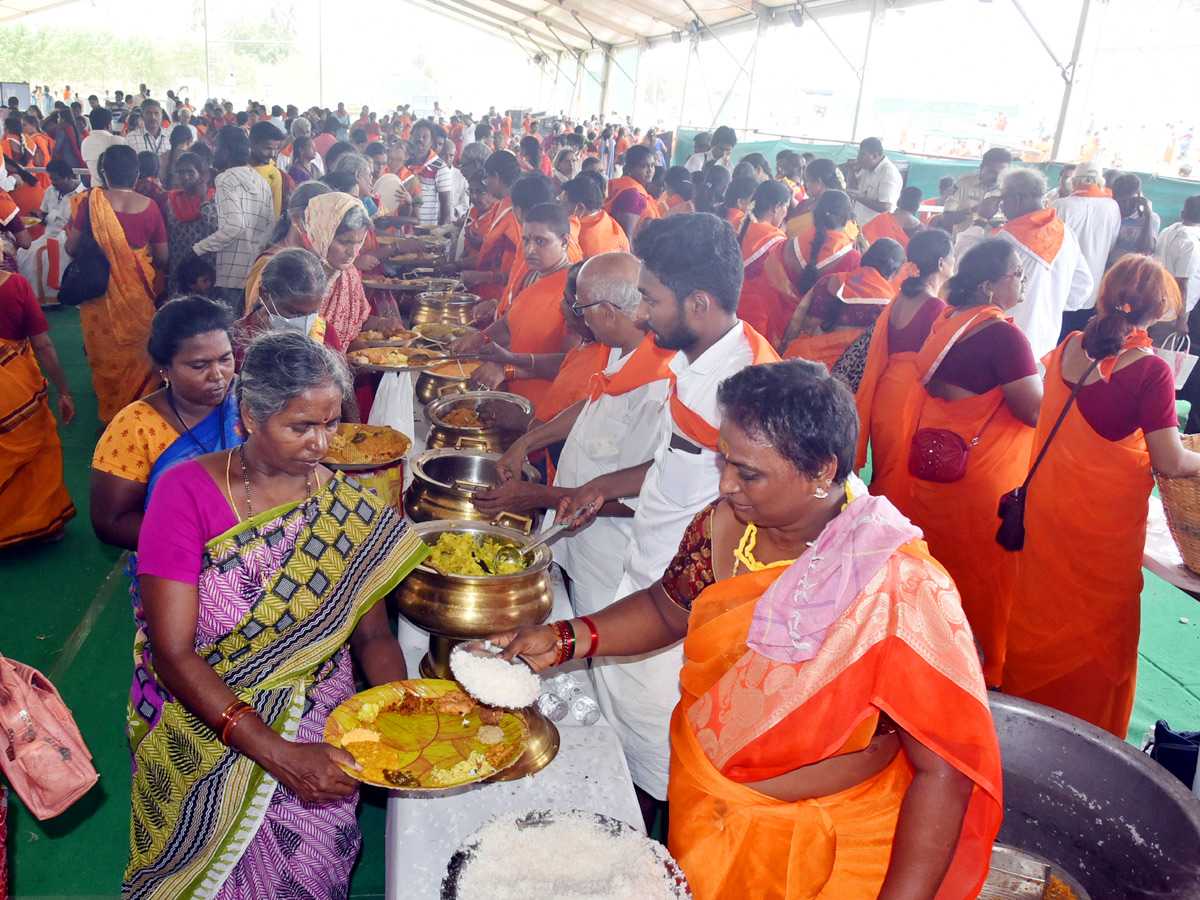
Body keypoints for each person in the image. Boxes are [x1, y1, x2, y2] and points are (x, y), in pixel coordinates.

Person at [495, 361, 1002, 900]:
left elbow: (944, 772)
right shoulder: (726, 524)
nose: (726, 483)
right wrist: (566, 637)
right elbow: (669, 608)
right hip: (708, 812)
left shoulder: (896, 582)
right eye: (724, 461)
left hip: (828, 852)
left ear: (824, 471)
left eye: (748, 472)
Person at [124, 330, 428, 900]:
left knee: (308, 873)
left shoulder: (347, 507)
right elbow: (172, 651)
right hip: (203, 725)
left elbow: (374, 635)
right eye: (300, 427)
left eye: (331, 423)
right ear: (248, 418)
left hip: (319, 725)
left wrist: (400, 713)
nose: (321, 443)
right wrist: (277, 753)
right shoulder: (184, 493)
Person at [549, 213, 779, 824]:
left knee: (664, 769)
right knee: (631, 746)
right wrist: (601, 485)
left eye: (651, 299)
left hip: (681, 611)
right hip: (648, 580)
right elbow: (672, 462)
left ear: (698, 302)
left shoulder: (742, 389)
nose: (642, 314)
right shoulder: (693, 363)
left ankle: (653, 853)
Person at [1003, 256, 1200, 738]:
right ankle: (1086, 731)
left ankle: (1023, 712)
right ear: (1157, 311)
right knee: (1098, 631)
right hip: (1102, 530)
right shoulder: (1150, 370)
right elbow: (1171, 461)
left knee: (1039, 610)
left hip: (1049, 508)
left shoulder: (1070, 345)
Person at [479, 252, 676, 613]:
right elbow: (593, 405)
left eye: (580, 306)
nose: (575, 315)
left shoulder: (658, 387)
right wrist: (527, 442)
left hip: (611, 564)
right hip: (574, 544)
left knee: (598, 659)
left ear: (607, 311)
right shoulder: (618, 350)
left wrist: (537, 496)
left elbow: (639, 499)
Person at [903, 238, 1042, 686]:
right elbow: (1033, 410)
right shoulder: (1003, 335)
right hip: (981, 482)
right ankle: (977, 670)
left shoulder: (948, 321)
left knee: (936, 567)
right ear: (988, 285)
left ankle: (924, 652)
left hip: (933, 467)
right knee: (981, 583)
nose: (1023, 281)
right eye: (1016, 274)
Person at [91, 296, 240, 563]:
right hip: (176, 561)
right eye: (199, 365)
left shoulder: (249, 399)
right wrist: (208, 544)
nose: (217, 375)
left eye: (225, 359)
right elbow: (110, 522)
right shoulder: (136, 426)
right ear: (164, 368)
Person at [65, 144, 167, 424]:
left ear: (103, 172)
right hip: (138, 295)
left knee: (104, 353)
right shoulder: (151, 207)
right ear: (137, 174)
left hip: (97, 292)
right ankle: (141, 415)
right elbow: (162, 256)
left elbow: (72, 248)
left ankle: (111, 419)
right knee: (138, 352)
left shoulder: (90, 203)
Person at [854, 229, 952, 514]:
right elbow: (935, 362)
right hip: (911, 397)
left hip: (887, 392)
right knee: (900, 478)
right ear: (943, 262)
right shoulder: (935, 306)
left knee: (887, 470)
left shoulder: (900, 297)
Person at [456, 202, 576, 409]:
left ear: (564, 242)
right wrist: (479, 338)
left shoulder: (575, 287)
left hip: (547, 405)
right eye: (526, 240)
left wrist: (507, 369)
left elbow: (570, 362)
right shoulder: (531, 275)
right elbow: (508, 324)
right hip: (513, 397)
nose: (530, 250)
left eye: (541, 241)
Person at [0, 269, 75, 547]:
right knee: (41, 450)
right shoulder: (15, 285)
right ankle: (43, 524)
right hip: (14, 385)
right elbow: (41, 343)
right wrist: (64, 391)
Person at [993, 168, 1092, 362]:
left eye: (1003, 198)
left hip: (1004, 338)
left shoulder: (1006, 239)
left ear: (1017, 198)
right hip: (1045, 342)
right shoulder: (1066, 234)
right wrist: (1049, 302)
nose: (1001, 206)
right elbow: (1082, 288)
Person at [781, 237, 905, 367]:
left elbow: (797, 323)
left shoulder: (827, 281)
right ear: (894, 272)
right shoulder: (886, 305)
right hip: (838, 377)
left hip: (798, 361)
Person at [192, 126, 275, 316]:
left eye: (217, 147)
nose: (214, 152)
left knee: (229, 331)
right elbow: (270, 228)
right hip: (254, 271)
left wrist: (197, 249)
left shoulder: (225, 179)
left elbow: (233, 226)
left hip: (229, 274)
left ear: (226, 151)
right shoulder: (261, 181)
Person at [233, 248, 346, 367]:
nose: (305, 321)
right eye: (293, 312)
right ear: (265, 294)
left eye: (313, 313)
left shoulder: (325, 335)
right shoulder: (237, 340)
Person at [1051, 161, 1121, 336]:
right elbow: (1111, 245)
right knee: (1077, 336)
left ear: (1074, 182)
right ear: (1100, 182)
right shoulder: (1112, 207)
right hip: (1092, 286)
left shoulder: (1061, 205)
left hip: (1060, 281)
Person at [302, 191, 377, 345]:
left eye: (358, 242)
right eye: (344, 242)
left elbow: (352, 333)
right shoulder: (297, 273)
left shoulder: (349, 274)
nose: (352, 252)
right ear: (323, 234)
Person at [163, 151, 216, 295]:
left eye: (190, 172)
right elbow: (169, 234)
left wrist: (204, 197)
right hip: (178, 264)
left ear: (200, 174)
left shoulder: (212, 197)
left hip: (205, 265)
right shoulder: (172, 199)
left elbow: (213, 226)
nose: (185, 177)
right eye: (181, 172)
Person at [936, 147, 1012, 234]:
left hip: (992, 244)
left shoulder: (1009, 189)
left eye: (1002, 173)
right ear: (982, 168)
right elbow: (946, 220)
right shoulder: (964, 183)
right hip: (962, 245)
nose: (997, 178)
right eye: (992, 172)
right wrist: (973, 210)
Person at [1156, 194, 1200, 341]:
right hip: (1173, 311)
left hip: (1155, 300)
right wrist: (1181, 320)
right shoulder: (1191, 244)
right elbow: (1181, 283)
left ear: (1182, 213)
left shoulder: (1168, 230)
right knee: (1162, 353)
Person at [561, 174, 629, 257]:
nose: (562, 208)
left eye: (564, 204)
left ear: (580, 208)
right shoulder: (610, 221)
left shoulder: (576, 234)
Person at [604, 144, 660, 241]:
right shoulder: (632, 196)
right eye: (644, 166)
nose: (650, 170)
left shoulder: (633, 189)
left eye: (652, 165)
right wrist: (631, 257)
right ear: (631, 168)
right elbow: (627, 237)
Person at [408, 119, 453, 226]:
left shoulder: (440, 168)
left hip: (425, 230)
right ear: (410, 138)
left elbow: (445, 205)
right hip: (401, 228)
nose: (420, 139)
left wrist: (439, 231)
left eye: (425, 137)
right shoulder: (404, 161)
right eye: (417, 135)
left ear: (431, 142)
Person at [847, 137, 901, 225]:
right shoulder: (866, 167)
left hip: (874, 227)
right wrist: (852, 174)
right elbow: (854, 190)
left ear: (874, 156)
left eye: (862, 155)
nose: (858, 159)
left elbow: (886, 207)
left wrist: (857, 198)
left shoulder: (888, 173)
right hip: (858, 223)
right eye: (859, 154)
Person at [1109, 172, 1159, 263]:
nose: (1126, 204)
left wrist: (1148, 217)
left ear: (1140, 196)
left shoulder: (1151, 218)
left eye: (1131, 199)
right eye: (1121, 201)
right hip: (1107, 272)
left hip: (1131, 273)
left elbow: (1146, 251)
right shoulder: (1111, 215)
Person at [248, 121, 291, 218]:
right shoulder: (240, 168)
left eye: (274, 149)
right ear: (253, 144)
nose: (272, 154)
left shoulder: (274, 174)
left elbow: (274, 215)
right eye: (267, 149)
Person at [159, 124, 194, 191]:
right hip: (185, 199)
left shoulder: (160, 158)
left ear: (170, 140)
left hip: (164, 199)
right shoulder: (191, 159)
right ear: (189, 141)